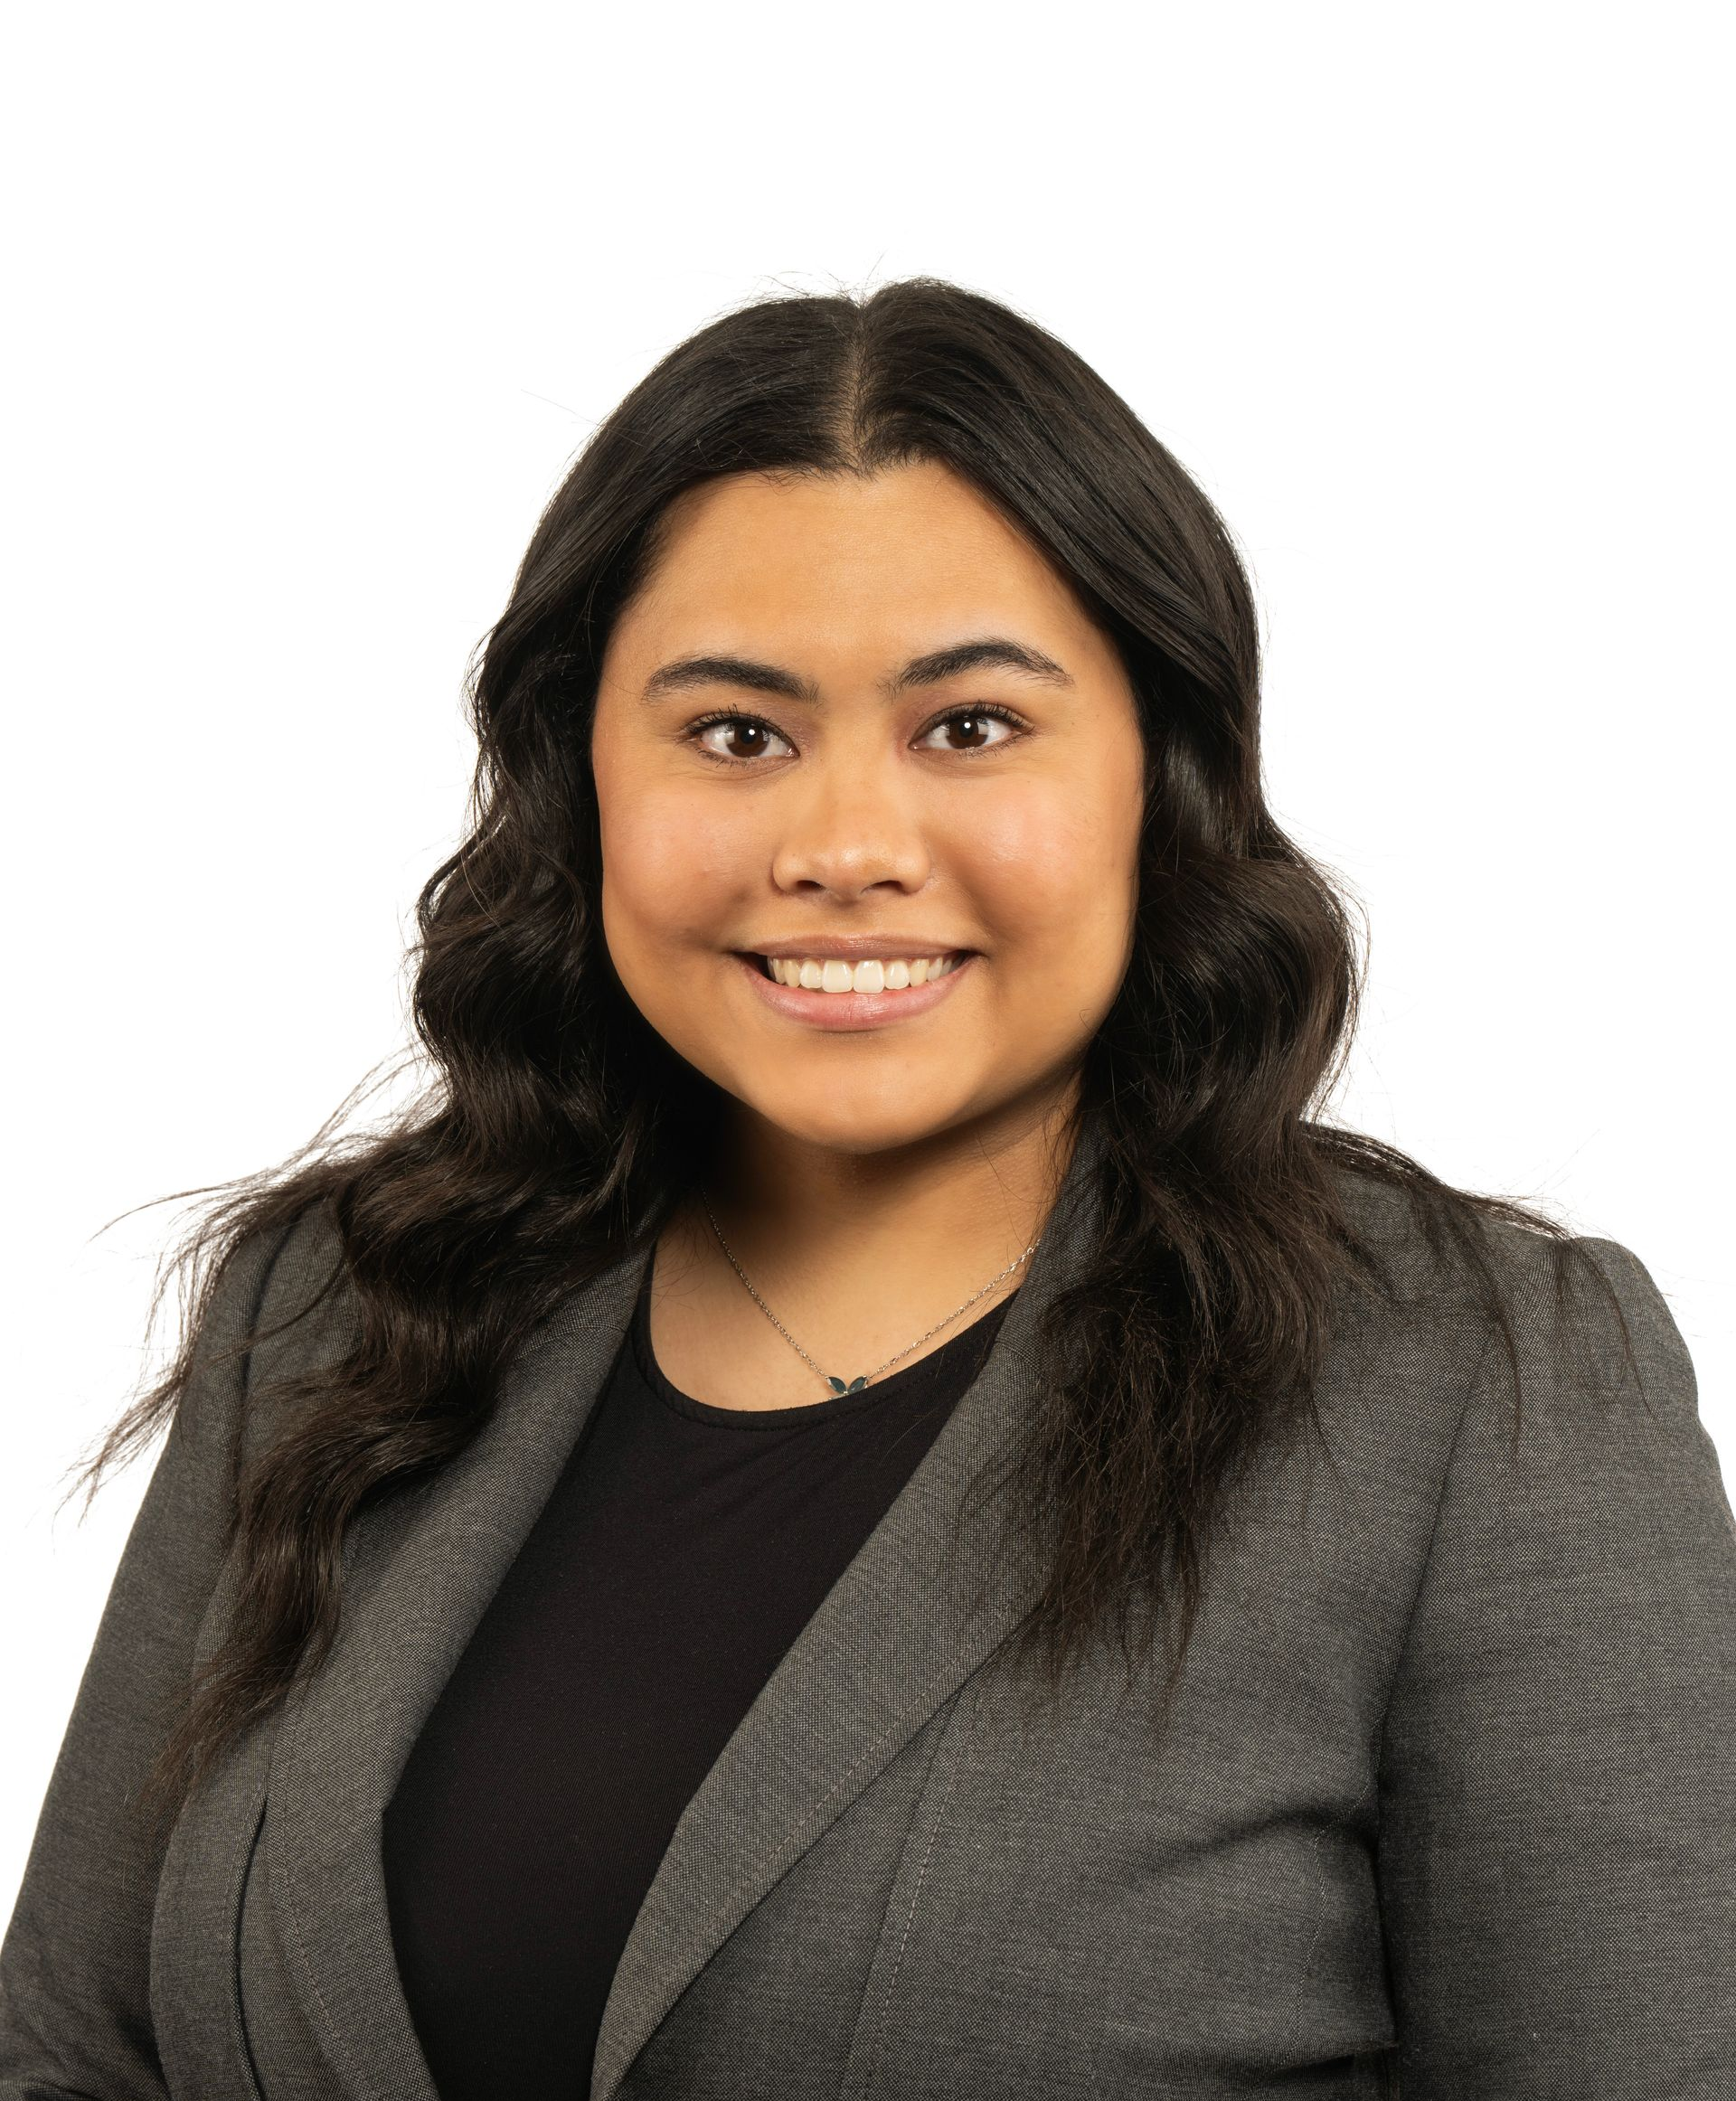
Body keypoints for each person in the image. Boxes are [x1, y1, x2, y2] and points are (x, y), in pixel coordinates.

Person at [3, 277, 1731, 2101]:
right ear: (582, 781)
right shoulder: (336, 1309)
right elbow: (74, 2058)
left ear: (1166, 771)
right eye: (737, 734)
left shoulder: (1482, 1389)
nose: (843, 848)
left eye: (969, 727)